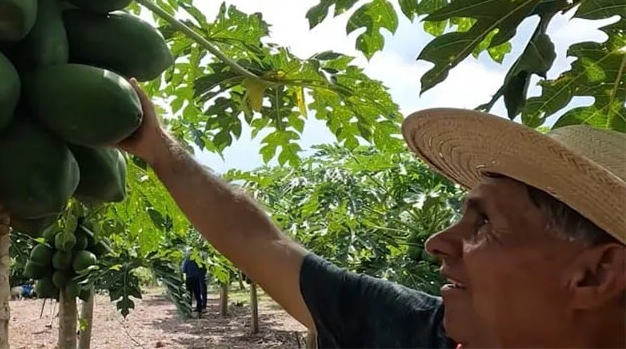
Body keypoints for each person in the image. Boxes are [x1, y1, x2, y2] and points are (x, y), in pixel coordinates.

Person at [115, 78, 625, 348]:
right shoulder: (410, 331)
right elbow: (262, 244)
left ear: (597, 273)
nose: (437, 242)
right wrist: (160, 149)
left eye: (486, 224)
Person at [182, 249, 208, 314]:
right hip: (197, 279)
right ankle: (199, 309)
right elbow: (202, 269)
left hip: (189, 279)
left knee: (189, 294)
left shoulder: (187, 260)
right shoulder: (198, 260)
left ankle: (189, 309)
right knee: (197, 294)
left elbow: (184, 270)